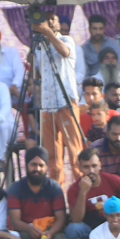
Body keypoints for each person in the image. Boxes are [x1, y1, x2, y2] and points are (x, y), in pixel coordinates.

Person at [7, 146, 67, 239]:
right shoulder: (16, 188)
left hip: (50, 230)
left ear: (46, 167)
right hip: (27, 230)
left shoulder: (54, 187)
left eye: (41, 165)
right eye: (33, 165)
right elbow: (14, 221)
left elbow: (61, 218)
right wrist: (29, 228)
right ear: (26, 166)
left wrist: (50, 233)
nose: (37, 169)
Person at [33, 10, 83, 184]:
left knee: (75, 152)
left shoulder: (66, 40)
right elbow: (37, 75)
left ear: (58, 24)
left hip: (65, 101)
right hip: (47, 104)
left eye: (51, 20)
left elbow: (64, 52)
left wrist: (47, 32)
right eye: (44, 20)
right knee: (52, 157)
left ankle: (84, 191)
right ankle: (57, 193)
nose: (48, 23)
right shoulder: (39, 47)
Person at [64, 147, 120, 239]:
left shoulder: (112, 180)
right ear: (79, 168)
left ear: (100, 165)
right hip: (90, 229)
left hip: (114, 224)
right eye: (86, 167)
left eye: (94, 166)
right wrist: (82, 192)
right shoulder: (74, 189)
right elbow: (76, 219)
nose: (91, 170)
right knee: (72, 229)